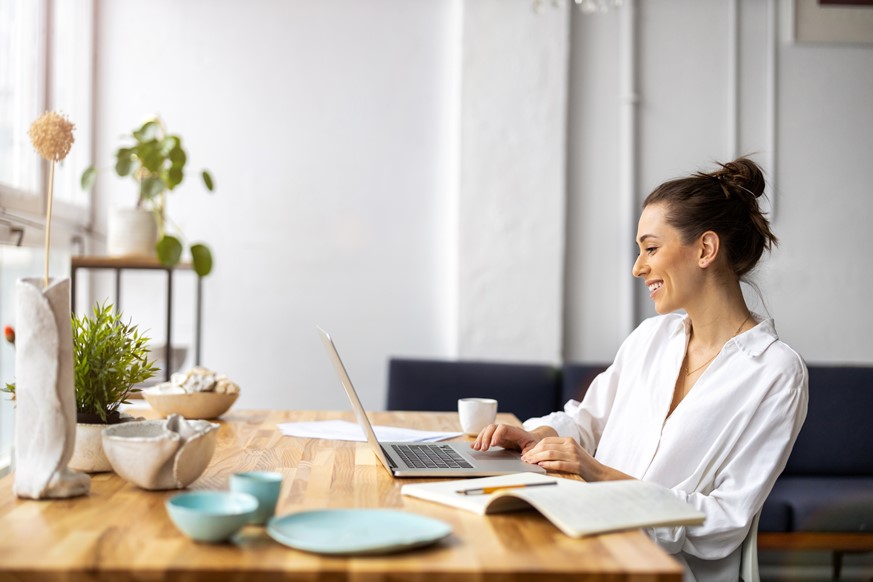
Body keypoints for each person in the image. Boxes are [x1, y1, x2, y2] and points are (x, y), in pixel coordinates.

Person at [472, 157, 808, 582]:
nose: (638, 267)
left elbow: (725, 522)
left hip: (661, 569)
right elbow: (586, 422)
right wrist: (540, 435)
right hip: (587, 542)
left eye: (651, 248)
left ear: (705, 249)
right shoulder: (652, 338)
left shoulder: (775, 373)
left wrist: (598, 473)